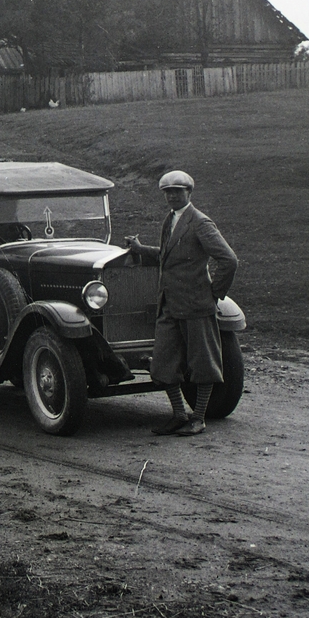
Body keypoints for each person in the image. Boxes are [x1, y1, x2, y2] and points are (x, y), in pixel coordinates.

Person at [128, 170, 238, 437]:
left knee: (202, 363)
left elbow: (229, 260)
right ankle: (179, 414)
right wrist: (142, 249)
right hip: (169, 305)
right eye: (168, 192)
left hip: (196, 305)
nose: (172, 196)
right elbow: (170, 256)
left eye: (178, 191)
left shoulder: (200, 222)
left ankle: (198, 418)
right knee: (162, 363)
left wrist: (214, 293)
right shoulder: (170, 220)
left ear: (189, 193)